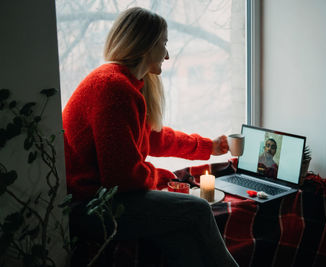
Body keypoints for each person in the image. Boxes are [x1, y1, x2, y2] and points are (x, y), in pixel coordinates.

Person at [62, 6, 238, 267]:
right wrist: (161, 177)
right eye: (164, 44)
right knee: (198, 208)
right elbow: (123, 178)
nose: (167, 55)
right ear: (146, 45)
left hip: (104, 199)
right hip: (89, 209)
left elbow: (153, 138)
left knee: (182, 236)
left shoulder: (125, 83)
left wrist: (207, 147)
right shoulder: (114, 88)